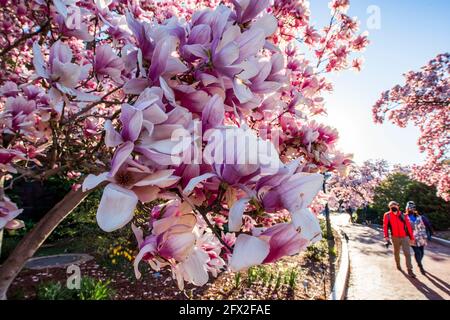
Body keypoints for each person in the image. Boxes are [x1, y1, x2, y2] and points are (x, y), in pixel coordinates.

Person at [383, 201, 416, 278]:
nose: (393, 206)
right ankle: (398, 265)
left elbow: (408, 227)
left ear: (398, 206)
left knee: (407, 253)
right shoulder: (387, 215)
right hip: (395, 237)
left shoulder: (403, 215)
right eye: (391, 205)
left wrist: (412, 237)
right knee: (396, 252)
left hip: (405, 237)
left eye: (395, 205)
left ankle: (410, 270)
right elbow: (385, 226)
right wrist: (386, 236)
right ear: (389, 207)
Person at [406, 201, 428, 274]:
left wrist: (425, 236)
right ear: (407, 208)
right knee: (417, 252)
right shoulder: (405, 217)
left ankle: (419, 262)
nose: (411, 209)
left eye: (413, 207)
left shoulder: (419, 216)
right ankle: (420, 266)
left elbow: (423, 226)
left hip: (420, 237)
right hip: (411, 238)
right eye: (410, 207)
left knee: (422, 252)